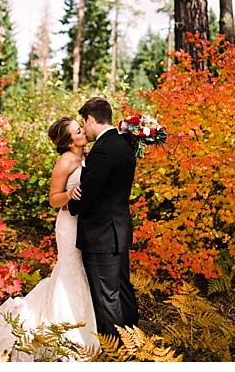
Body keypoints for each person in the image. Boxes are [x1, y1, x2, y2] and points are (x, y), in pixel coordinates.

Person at [0, 117, 98, 360]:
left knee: (83, 273)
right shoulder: (65, 161)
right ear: (68, 142)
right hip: (69, 226)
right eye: (78, 131)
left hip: (86, 223)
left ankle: (85, 327)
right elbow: (53, 198)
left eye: (80, 127)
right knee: (71, 271)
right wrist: (68, 193)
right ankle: (66, 333)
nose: (83, 132)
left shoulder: (87, 155)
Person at [67, 97, 139, 339]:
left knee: (106, 299)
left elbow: (89, 193)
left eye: (83, 123)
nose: (84, 129)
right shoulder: (124, 144)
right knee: (123, 292)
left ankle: (115, 355)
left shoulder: (102, 150)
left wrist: (71, 204)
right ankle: (134, 343)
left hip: (100, 236)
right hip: (118, 231)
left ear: (90, 119)